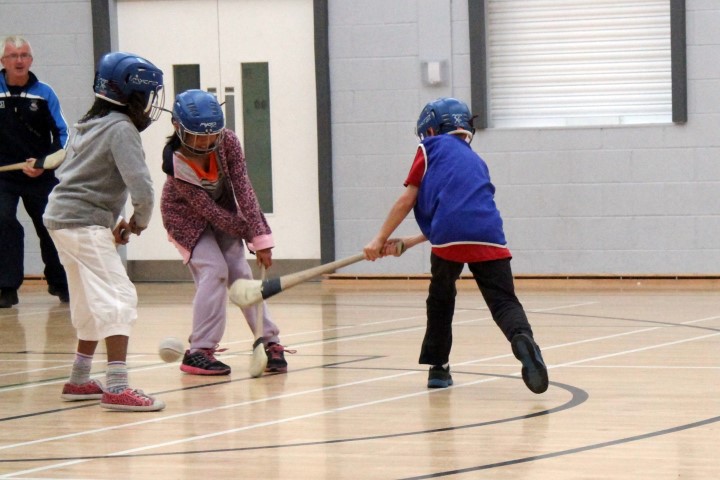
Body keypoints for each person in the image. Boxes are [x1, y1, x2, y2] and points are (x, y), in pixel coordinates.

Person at [363, 97, 549, 394]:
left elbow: (408, 199)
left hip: (448, 236)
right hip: (489, 233)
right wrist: (410, 241)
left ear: (432, 129)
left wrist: (379, 239)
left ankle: (438, 368)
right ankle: (522, 339)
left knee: (441, 297)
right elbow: (463, 216)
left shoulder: (429, 148)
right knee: (503, 301)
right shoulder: (476, 160)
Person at [42, 51, 166, 411]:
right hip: (83, 223)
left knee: (86, 299)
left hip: (60, 219)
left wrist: (117, 221)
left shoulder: (88, 123)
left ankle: (80, 379)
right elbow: (142, 188)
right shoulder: (121, 129)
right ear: (131, 94)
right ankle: (117, 387)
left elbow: (88, 178)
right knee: (118, 298)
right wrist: (138, 222)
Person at [160, 89, 293, 376]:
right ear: (178, 128)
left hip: (224, 211)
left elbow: (243, 189)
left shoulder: (228, 141)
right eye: (197, 136)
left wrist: (261, 237)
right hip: (185, 218)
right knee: (214, 270)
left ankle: (269, 341)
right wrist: (247, 232)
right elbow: (207, 210)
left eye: (212, 135)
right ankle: (199, 351)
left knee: (241, 275)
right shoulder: (176, 161)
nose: (206, 142)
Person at [0, 35, 69, 308]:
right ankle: (6, 287)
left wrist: (44, 164)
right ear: (3, 61)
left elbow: (62, 134)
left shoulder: (45, 93)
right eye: (13, 55)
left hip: (39, 175)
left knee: (51, 224)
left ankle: (60, 282)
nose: (19, 60)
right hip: (3, 177)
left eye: (24, 55)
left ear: (31, 60)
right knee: (3, 221)